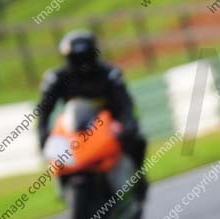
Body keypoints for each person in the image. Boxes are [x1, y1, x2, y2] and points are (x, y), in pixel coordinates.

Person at [37, 29, 148, 202]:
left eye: (85, 57)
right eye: (76, 58)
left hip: (109, 127)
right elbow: (44, 110)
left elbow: (126, 103)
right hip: (75, 131)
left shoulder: (109, 74)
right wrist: (43, 132)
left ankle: (137, 183)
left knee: (138, 141)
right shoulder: (58, 78)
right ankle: (63, 188)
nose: (82, 64)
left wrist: (127, 124)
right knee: (55, 150)